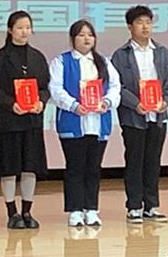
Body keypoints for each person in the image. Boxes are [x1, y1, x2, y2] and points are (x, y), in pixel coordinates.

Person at [49, 20, 121, 228]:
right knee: (75, 167)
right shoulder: (61, 61)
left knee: (93, 168)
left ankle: (91, 209)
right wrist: (73, 105)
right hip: (73, 122)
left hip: (98, 122)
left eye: (90, 34)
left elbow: (115, 87)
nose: (86, 38)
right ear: (73, 39)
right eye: (81, 35)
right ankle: (75, 210)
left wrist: (107, 102)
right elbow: (56, 89)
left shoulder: (104, 62)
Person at [110, 5, 168, 224]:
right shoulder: (121, 55)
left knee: (153, 162)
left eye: (148, 22)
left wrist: (165, 101)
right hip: (133, 117)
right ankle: (134, 206)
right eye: (140, 22)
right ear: (130, 27)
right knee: (134, 161)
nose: (145, 27)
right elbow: (117, 86)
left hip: (157, 116)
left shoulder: (162, 52)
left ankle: (151, 206)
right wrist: (135, 103)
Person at [0, 11, 49, 230]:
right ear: (10, 30)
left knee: (30, 166)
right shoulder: (0, 58)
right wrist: (11, 104)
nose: (24, 32)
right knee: (9, 167)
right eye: (20, 27)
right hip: (9, 120)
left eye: (28, 27)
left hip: (32, 120)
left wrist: (41, 101)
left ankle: (27, 211)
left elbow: (45, 87)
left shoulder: (37, 57)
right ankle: (12, 212)